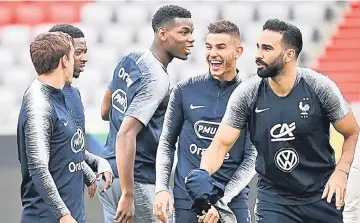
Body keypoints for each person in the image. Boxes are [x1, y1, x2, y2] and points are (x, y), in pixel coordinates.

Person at [185, 19, 360, 223]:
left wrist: (340, 172)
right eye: (259, 47)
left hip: (321, 195)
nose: (258, 55)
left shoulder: (319, 87)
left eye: (267, 49)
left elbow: (352, 132)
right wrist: (203, 174)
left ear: (289, 55)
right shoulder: (248, 93)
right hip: (275, 200)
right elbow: (220, 146)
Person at [98, 5, 195, 223]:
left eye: (191, 32)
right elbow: (126, 134)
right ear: (162, 33)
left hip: (108, 174)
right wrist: (128, 193)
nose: (191, 39)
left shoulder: (130, 59)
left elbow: (106, 110)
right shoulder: (157, 79)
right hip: (136, 178)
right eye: (184, 32)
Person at [153, 20, 256, 223]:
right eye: (208, 47)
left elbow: (252, 157)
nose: (213, 53)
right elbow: (166, 143)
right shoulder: (184, 90)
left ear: (238, 51)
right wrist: (162, 188)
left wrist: (221, 202)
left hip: (231, 202)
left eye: (221, 47)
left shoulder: (251, 96)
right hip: (187, 200)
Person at [17, 31, 87, 223]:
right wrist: (63, 215)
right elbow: (39, 167)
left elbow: (65, 148)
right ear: (65, 61)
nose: (77, 61)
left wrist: (88, 172)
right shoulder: (38, 103)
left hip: (72, 215)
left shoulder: (61, 94)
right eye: (74, 56)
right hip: (48, 218)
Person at [48, 24, 114, 199]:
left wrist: (99, 162)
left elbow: (72, 148)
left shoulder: (74, 94)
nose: (84, 58)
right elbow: (47, 155)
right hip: (49, 208)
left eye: (85, 51)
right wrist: (86, 170)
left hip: (73, 202)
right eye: (78, 52)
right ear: (62, 55)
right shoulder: (41, 99)